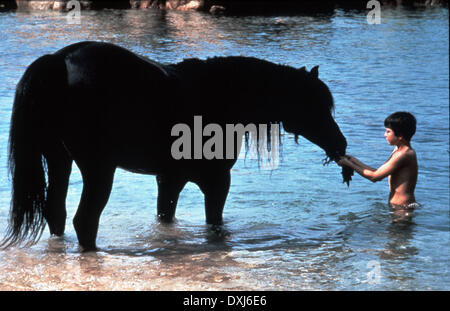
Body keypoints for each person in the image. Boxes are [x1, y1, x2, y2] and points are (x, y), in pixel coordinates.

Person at [338, 112, 418, 209]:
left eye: (388, 131)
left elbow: (375, 177)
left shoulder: (404, 154)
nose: (385, 135)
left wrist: (348, 164)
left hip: (403, 208)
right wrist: (353, 160)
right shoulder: (398, 150)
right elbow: (377, 171)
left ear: (400, 135)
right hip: (397, 207)